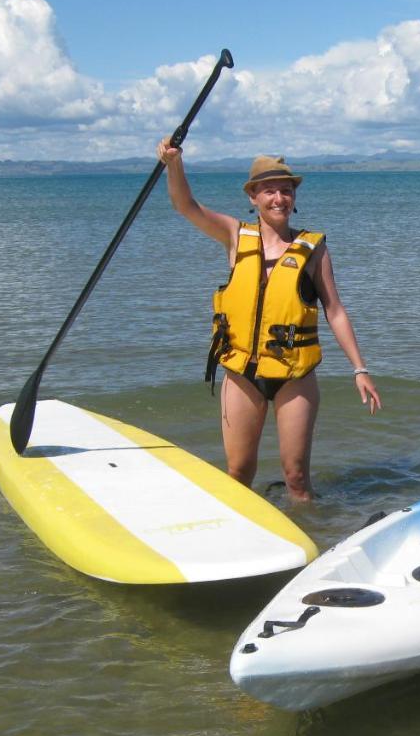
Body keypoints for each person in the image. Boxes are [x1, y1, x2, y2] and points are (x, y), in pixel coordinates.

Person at [157, 140, 381, 501]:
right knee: (238, 473)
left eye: (286, 190)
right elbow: (185, 205)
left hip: (294, 375)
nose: (279, 198)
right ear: (253, 197)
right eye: (269, 190)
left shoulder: (313, 248)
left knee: (296, 479)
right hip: (242, 374)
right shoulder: (234, 235)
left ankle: (312, 542)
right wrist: (173, 164)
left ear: (294, 197)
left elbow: (334, 309)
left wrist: (360, 369)